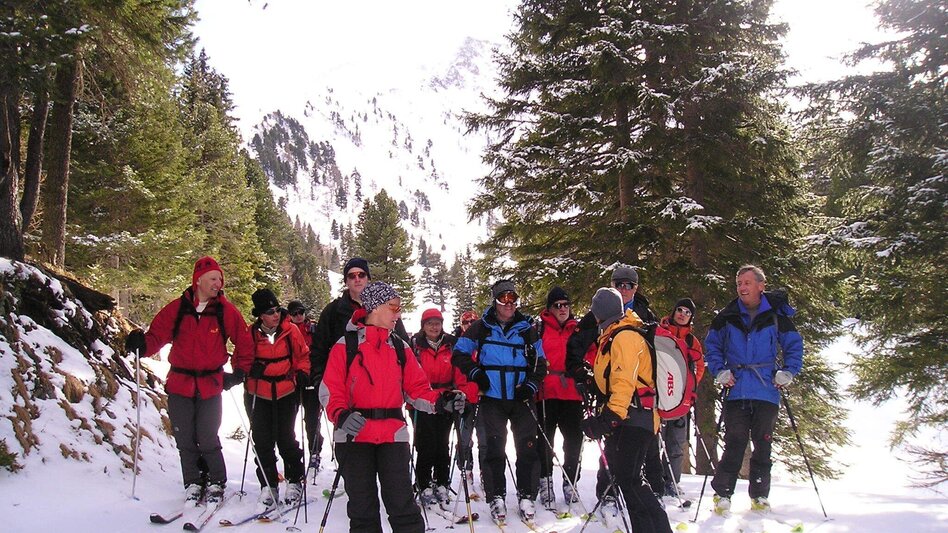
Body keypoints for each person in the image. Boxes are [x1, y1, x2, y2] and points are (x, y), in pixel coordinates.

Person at [319, 282, 466, 533]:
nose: (398, 313)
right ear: (375, 307)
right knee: (363, 510)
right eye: (394, 307)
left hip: (393, 435)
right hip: (354, 436)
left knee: (403, 506)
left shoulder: (400, 347)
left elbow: (417, 390)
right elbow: (330, 390)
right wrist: (341, 415)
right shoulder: (346, 345)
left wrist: (442, 401)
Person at [124, 256, 253, 508]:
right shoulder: (178, 308)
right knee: (184, 437)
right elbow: (156, 337)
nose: (218, 283)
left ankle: (216, 481)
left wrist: (239, 372)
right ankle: (193, 481)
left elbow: (244, 340)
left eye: (220, 279)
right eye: (213, 278)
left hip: (210, 383)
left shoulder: (225, 310)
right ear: (199, 280)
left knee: (207, 436)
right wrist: (141, 344)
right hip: (180, 383)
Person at [705, 265, 803, 514]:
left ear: (761, 285)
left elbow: (794, 345)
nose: (741, 287)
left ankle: (760, 495)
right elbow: (712, 346)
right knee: (735, 441)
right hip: (736, 387)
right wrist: (719, 371)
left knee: (763, 443)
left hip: (766, 389)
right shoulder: (727, 316)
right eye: (739, 283)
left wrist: (788, 371)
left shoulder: (777, 316)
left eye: (747, 282)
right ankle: (723, 493)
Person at [452, 279, 547, 524]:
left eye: (513, 299)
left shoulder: (527, 328)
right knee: (494, 447)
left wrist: (530, 386)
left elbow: (541, 364)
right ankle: (497, 496)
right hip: (492, 397)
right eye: (504, 299)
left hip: (520, 397)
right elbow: (459, 353)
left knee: (526, 446)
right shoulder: (481, 327)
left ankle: (526, 494)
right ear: (495, 301)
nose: (509, 304)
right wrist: (475, 374)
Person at [581, 288, 672, 533]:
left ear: (600, 313)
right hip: (632, 416)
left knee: (629, 480)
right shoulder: (615, 335)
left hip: (634, 417)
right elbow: (616, 379)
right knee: (628, 479)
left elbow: (624, 381)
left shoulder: (624, 337)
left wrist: (610, 418)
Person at [244, 289, 311, 514]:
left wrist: (302, 372)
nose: (275, 315)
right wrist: (247, 368)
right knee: (262, 440)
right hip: (258, 393)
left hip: (286, 391)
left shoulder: (290, 330)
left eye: (277, 310)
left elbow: (303, 356)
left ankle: (294, 480)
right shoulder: (251, 333)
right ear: (260, 315)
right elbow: (240, 360)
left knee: (286, 438)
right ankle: (268, 484)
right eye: (270, 311)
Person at [410, 308, 478, 506]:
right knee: (424, 442)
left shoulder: (451, 344)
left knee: (442, 442)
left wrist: (463, 396)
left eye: (437, 323)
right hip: (422, 400)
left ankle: (441, 481)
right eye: (430, 323)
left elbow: (459, 371)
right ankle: (423, 483)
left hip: (446, 399)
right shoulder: (416, 345)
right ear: (423, 325)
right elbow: (411, 374)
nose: (434, 326)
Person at [535, 287, 583, 508]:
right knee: (545, 441)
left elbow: (589, 352)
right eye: (557, 305)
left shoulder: (578, 329)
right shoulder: (539, 329)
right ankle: (545, 482)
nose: (562, 309)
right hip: (546, 391)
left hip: (572, 392)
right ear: (550, 308)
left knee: (574, 441)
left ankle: (570, 480)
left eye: (565, 304)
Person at [658, 298, 706, 497]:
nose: (682, 314)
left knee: (676, 444)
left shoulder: (691, 341)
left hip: (681, 400)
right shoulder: (660, 331)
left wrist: (691, 390)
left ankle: (671, 481)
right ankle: (652, 479)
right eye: (680, 310)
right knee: (653, 442)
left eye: (687, 312)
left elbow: (699, 367)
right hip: (659, 396)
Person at [287, 300, 322, 473]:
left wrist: (317, 375)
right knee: (289, 421)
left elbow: (320, 352)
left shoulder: (314, 329)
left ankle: (315, 452)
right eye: (295, 313)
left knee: (312, 420)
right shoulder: (286, 331)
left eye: (301, 311)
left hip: (312, 380)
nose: (299, 315)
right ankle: (293, 456)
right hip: (293, 381)